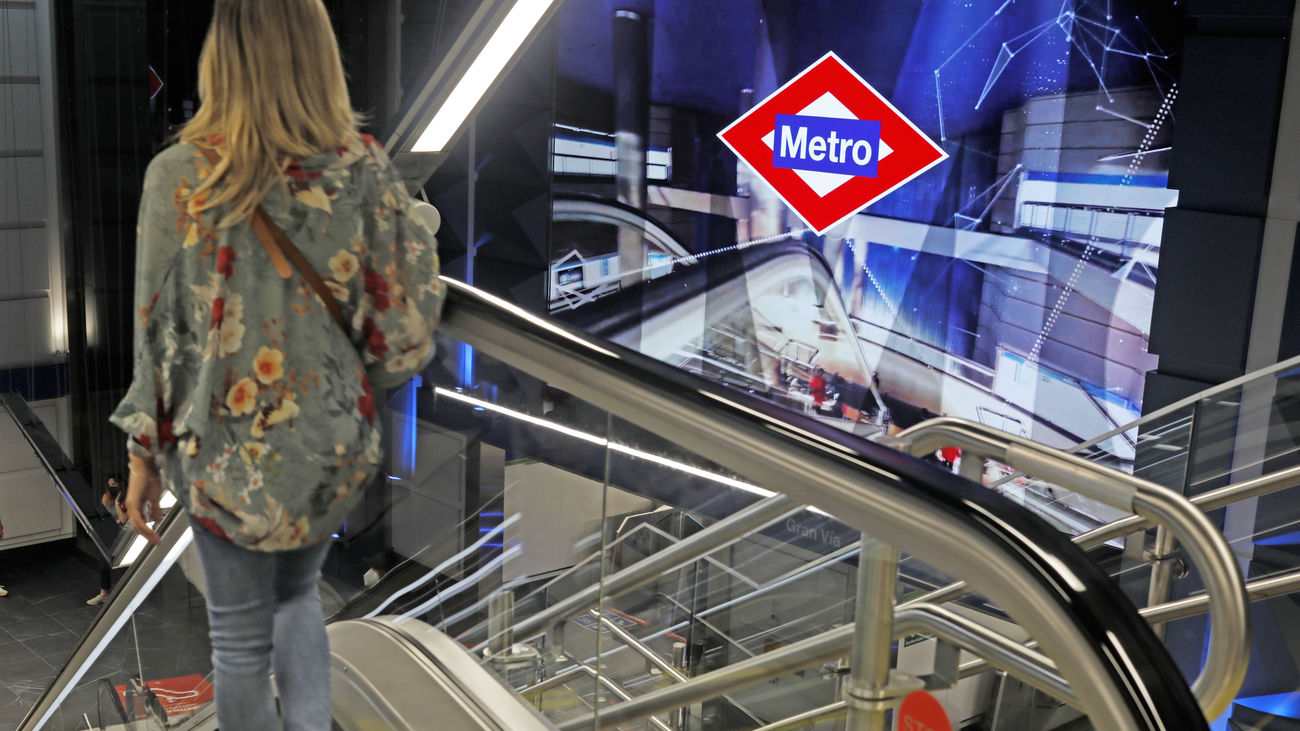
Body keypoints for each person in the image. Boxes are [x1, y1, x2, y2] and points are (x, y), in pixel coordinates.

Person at [111, 2, 444, 728]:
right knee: (296, 600)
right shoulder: (363, 169)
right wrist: (349, 385)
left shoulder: (179, 176)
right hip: (326, 449)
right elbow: (405, 333)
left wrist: (142, 457)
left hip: (221, 457)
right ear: (319, 55)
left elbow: (157, 335)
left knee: (238, 639)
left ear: (221, 58)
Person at [88, 474, 129, 606]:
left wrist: (117, 502)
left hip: (124, 534)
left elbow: (123, 519)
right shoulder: (106, 497)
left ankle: (128, 592)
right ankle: (104, 593)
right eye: (110, 485)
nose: (112, 487)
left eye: (114, 485)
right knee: (103, 563)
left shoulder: (127, 499)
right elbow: (103, 515)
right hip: (109, 534)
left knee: (123, 564)